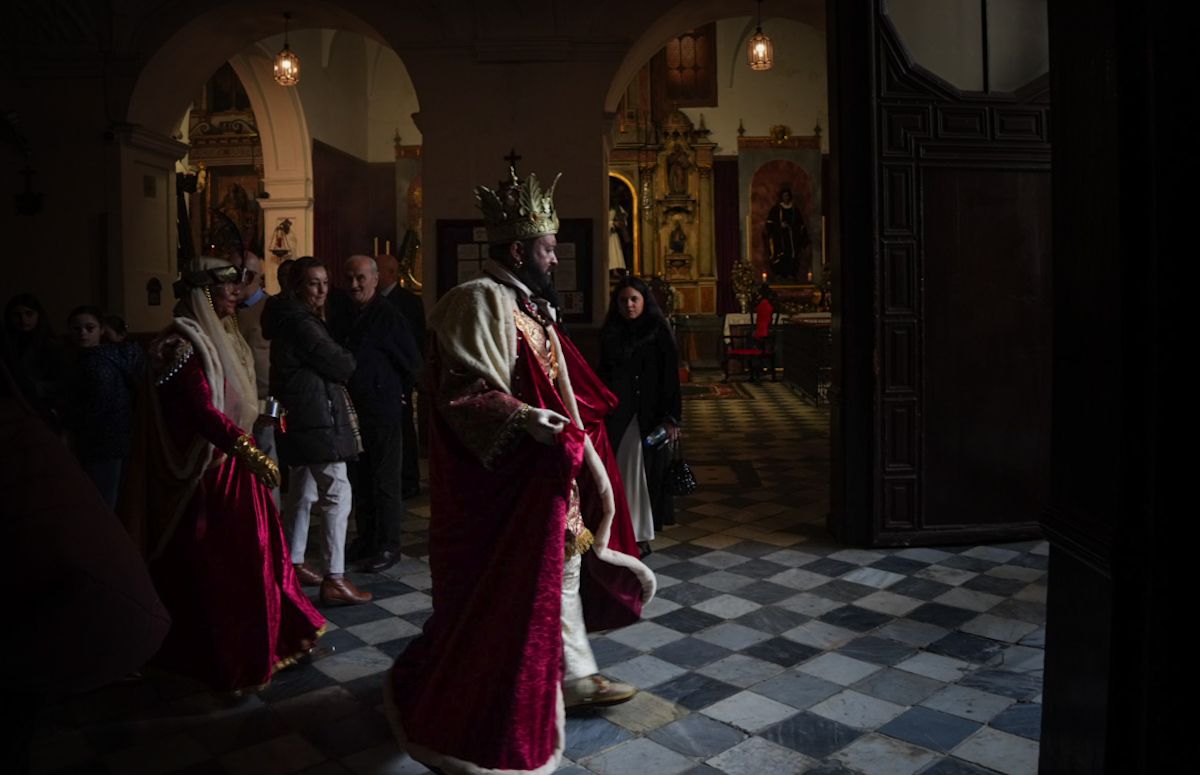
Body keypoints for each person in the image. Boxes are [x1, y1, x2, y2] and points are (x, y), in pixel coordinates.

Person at [384, 168, 656, 775]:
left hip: (547, 473)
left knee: (564, 572)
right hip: (506, 482)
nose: (555, 257)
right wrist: (526, 419)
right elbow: (458, 392)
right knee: (517, 592)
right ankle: (492, 702)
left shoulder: (530, 306)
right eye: (548, 247)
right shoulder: (477, 301)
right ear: (517, 251)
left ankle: (575, 676)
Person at [119, 256, 325, 693]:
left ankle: (276, 638)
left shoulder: (223, 334)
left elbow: (236, 399)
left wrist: (264, 417)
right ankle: (230, 659)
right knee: (227, 568)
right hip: (205, 475)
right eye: (226, 286)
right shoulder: (180, 343)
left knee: (262, 557)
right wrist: (248, 452)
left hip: (231, 465)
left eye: (238, 284)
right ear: (203, 293)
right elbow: (199, 411)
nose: (236, 292)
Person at [263, 256, 371, 606]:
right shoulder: (301, 323)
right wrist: (346, 358)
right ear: (298, 286)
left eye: (325, 282)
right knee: (337, 493)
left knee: (304, 491)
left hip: (304, 419)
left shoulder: (291, 318)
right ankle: (335, 577)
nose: (322, 290)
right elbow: (342, 363)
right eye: (314, 283)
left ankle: (293, 562)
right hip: (315, 420)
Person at [340, 255, 421, 573]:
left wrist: (398, 391)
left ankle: (388, 545)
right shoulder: (347, 312)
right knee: (361, 478)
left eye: (360, 278)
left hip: (383, 410)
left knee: (385, 480)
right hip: (356, 410)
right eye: (349, 277)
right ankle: (367, 539)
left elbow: (411, 361)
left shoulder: (388, 316)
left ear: (375, 280)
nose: (354, 284)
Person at [598, 277, 682, 550]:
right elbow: (603, 374)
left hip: (651, 413)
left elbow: (670, 378)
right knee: (624, 472)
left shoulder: (658, 331)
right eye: (623, 300)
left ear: (645, 301)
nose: (629, 305)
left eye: (634, 299)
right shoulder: (611, 332)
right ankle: (627, 530)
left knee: (645, 474)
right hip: (619, 414)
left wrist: (672, 418)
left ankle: (641, 532)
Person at [63, 305, 144, 508]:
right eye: (77, 328)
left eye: (89, 328)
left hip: (102, 442)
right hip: (114, 440)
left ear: (101, 330)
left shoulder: (97, 363)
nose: (83, 333)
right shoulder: (93, 358)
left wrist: (69, 422)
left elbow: (97, 407)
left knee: (101, 502)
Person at [376, 252, 426, 499]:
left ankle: (409, 479)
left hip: (400, 376)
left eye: (377, 270)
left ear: (390, 273)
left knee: (405, 429)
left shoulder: (409, 302)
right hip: (378, 377)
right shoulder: (371, 300)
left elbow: (415, 341)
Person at [3, 293, 67, 429]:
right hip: (11, 408)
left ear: (38, 315)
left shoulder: (51, 346)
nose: (23, 320)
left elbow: (63, 383)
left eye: (29, 314)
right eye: (17, 315)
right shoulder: (6, 345)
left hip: (43, 407)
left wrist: (34, 387)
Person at [764, 188, 809, 279]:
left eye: (787, 195)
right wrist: (779, 225)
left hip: (792, 237)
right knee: (780, 254)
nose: (786, 197)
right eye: (784, 195)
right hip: (780, 237)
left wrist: (792, 227)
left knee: (791, 254)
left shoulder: (794, 209)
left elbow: (800, 224)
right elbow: (770, 223)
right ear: (781, 197)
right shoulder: (776, 209)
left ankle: (791, 273)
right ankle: (780, 273)